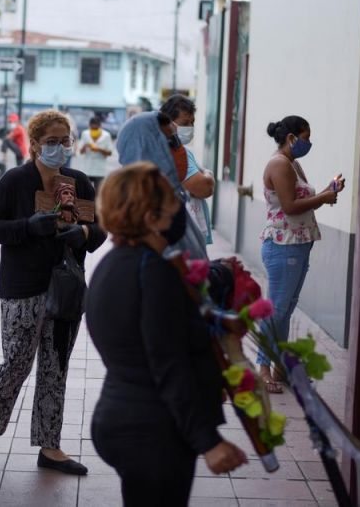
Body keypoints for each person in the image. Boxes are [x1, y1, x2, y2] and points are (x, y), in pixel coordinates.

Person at [86, 163, 247, 505]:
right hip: (153, 429)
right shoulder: (153, 272)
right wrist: (208, 441)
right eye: (172, 200)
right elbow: (167, 362)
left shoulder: (114, 264)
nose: (179, 207)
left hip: (123, 417)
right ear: (150, 216)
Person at [0, 109, 106, 475]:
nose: (60, 148)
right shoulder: (16, 181)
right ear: (33, 145)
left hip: (65, 289)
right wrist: (28, 227)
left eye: (66, 141)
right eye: (52, 141)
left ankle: (50, 446)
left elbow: (98, 231)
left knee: (55, 367)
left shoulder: (79, 182)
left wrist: (82, 234)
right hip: (22, 287)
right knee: (16, 363)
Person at [257, 115, 343, 393]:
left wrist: (329, 191)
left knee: (286, 308)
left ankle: (281, 365)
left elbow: (304, 201)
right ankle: (263, 368)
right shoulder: (279, 165)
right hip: (284, 246)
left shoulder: (293, 163)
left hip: (298, 243)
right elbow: (291, 206)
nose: (309, 142)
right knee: (278, 310)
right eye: (306, 136)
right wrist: (323, 198)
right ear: (292, 137)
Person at [116, 110, 207, 259]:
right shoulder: (148, 216)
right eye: (172, 142)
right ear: (147, 149)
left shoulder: (172, 201)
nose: (181, 150)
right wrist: (220, 274)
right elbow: (171, 276)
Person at [160, 95, 215, 244]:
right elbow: (204, 188)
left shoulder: (158, 147)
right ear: (168, 123)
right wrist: (208, 175)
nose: (190, 127)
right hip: (184, 236)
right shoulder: (175, 150)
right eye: (185, 123)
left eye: (192, 123)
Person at [77, 115, 113, 189]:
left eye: (96, 128)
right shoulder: (85, 134)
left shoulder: (106, 135)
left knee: (98, 192)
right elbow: (81, 152)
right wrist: (85, 146)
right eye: (92, 128)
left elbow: (109, 153)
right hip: (87, 168)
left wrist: (99, 149)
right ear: (89, 126)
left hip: (100, 169)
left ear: (100, 126)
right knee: (87, 192)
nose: (94, 129)